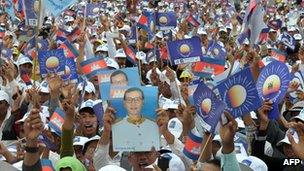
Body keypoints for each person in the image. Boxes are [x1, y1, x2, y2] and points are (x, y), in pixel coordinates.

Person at [112, 87, 159, 152]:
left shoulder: (154, 124)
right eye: (129, 100)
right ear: (124, 103)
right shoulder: (116, 126)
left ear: (143, 102)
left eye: (137, 99)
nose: (133, 103)